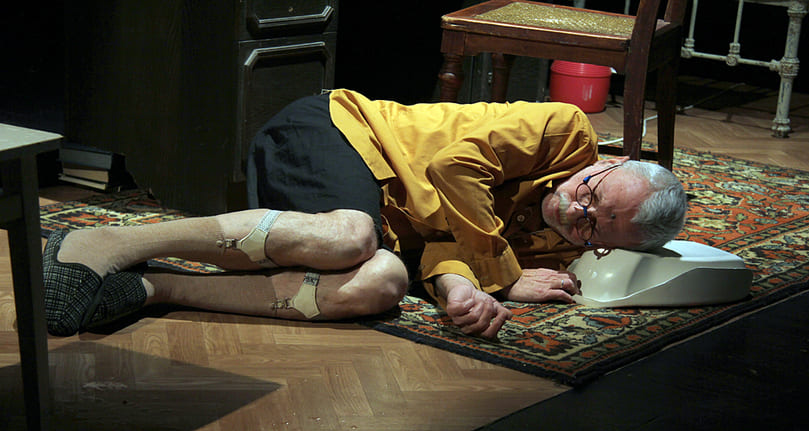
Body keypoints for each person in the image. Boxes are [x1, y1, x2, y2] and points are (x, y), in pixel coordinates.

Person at [43, 89, 687, 338]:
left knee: (380, 283)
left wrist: (461, 289)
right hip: (343, 134)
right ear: (610, 162)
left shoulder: (564, 248)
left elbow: (446, 243)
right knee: (350, 236)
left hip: (392, 227)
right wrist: (500, 275)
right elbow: (454, 170)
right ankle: (102, 243)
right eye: (593, 193)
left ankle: (153, 288)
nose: (575, 209)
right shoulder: (563, 129)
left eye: (593, 227)